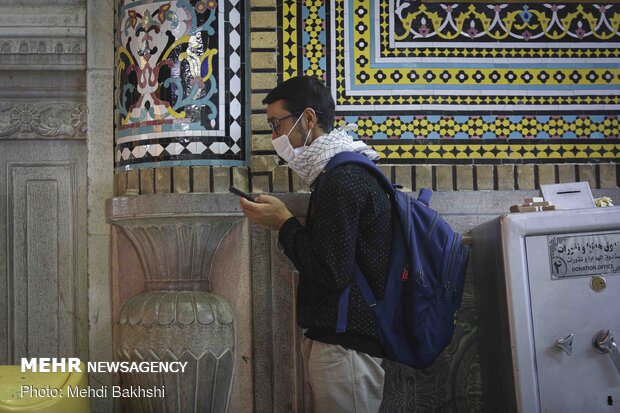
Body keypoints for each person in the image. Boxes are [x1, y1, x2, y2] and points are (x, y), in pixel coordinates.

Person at [239, 75, 392, 413]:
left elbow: (330, 271)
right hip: (340, 340)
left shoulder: (342, 178)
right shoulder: (340, 171)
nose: (275, 136)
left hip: (346, 346)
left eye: (276, 124)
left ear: (308, 118)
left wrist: (283, 223)